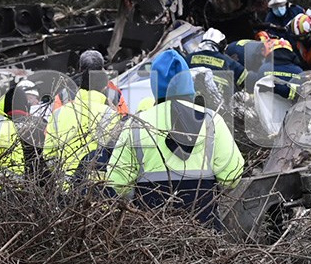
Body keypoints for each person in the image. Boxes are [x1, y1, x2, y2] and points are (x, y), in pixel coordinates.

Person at [107, 50, 244, 227]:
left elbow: (116, 182)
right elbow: (231, 177)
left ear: (155, 84)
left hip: (150, 238)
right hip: (205, 235)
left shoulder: (136, 125)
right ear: (188, 82)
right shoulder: (211, 120)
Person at [46, 50, 124, 178]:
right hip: (99, 186)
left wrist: (62, 176)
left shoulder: (62, 98)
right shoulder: (115, 96)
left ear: (80, 70)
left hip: (65, 186)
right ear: (102, 71)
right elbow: (123, 141)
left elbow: (49, 151)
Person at [186, 28, 248, 93]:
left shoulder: (189, 58)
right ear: (220, 45)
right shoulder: (227, 60)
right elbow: (244, 78)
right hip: (221, 97)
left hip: (192, 96)